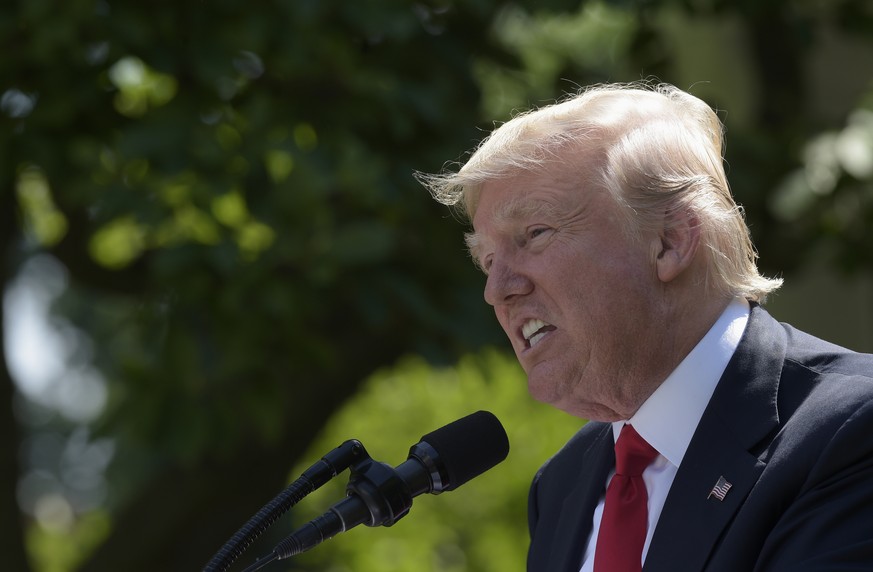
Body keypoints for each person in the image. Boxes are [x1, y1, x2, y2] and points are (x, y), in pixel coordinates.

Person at [418, 81, 873, 571]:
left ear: (670, 242)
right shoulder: (562, 486)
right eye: (487, 261)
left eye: (534, 234)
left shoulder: (850, 434)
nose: (497, 289)